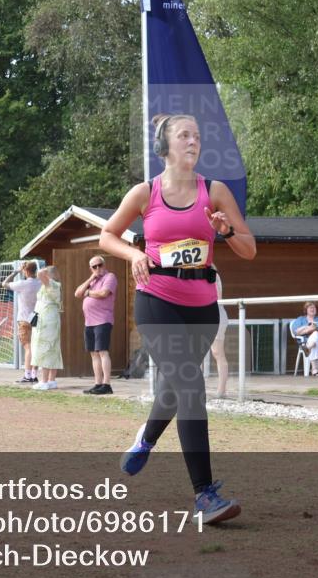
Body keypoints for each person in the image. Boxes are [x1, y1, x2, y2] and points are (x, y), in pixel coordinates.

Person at [99, 113, 256, 525]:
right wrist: (135, 254)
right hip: (157, 302)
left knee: (175, 386)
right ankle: (204, 496)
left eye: (197, 135)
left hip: (202, 308)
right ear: (164, 146)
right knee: (190, 386)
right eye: (184, 135)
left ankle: (145, 439)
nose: (193, 141)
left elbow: (249, 248)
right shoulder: (145, 193)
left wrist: (224, 233)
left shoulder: (215, 191)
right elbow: (107, 236)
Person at [74, 255, 117, 395]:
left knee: (103, 352)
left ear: (104, 265)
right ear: (91, 268)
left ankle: (107, 384)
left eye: (100, 265)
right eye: (94, 266)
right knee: (94, 354)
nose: (98, 268)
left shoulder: (110, 277)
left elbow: (104, 293)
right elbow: (77, 293)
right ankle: (98, 383)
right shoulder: (92, 280)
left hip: (103, 320)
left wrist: (88, 293)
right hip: (89, 322)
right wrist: (91, 278)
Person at [3, 261, 41, 383]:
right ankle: (34, 374)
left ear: (25, 271)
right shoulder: (40, 283)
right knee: (35, 347)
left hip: (24, 319)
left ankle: (27, 375)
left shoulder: (22, 283)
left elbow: (4, 283)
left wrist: (16, 272)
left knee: (28, 347)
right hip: (37, 317)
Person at [31, 266, 63, 390]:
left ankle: (44, 381)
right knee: (53, 348)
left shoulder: (52, 283)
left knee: (45, 347)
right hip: (48, 319)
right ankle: (51, 380)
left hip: (47, 321)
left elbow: (39, 274)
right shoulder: (54, 285)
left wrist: (43, 270)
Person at [292, 301, 318, 376]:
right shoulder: (300, 319)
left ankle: (307, 348)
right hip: (310, 342)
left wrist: (304, 330)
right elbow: (295, 331)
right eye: (310, 307)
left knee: (315, 334)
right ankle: (315, 370)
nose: (312, 309)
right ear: (306, 310)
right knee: (313, 343)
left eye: (314, 307)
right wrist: (309, 326)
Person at [210, 269, 229, 398]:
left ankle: (221, 391)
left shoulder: (212, 273)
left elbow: (218, 296)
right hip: (204, 314)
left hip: (215, 314)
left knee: (217, 352)